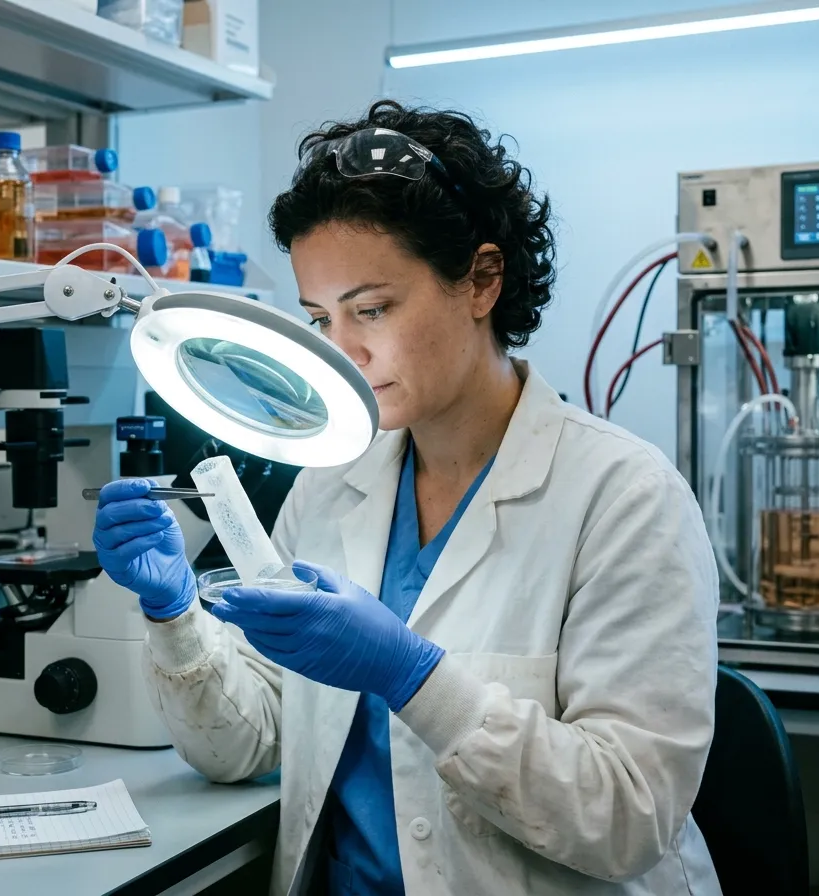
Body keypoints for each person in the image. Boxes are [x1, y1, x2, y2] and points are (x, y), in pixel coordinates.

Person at [93, 100, 721, 895]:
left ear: (482, 280)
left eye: (373, 309)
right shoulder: (329, 485)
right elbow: (245, 746)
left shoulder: (625, 499)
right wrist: (175, 612)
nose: (343, 351)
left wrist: (411, 674)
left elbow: (629, 818)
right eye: (321, 317)